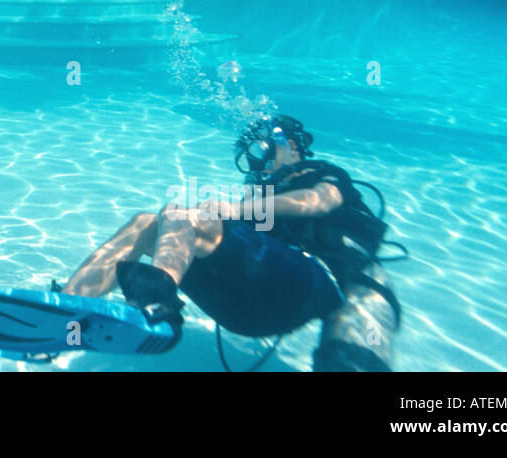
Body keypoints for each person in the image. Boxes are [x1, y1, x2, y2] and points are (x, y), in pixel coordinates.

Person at [60, 115, 402, 371]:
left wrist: (231, 209)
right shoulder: (261, 200)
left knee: (181, 212)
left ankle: (155, 306)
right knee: (146, 223)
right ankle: (64, 309)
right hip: (249, 309)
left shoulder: (321, 173)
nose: (256, 164)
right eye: (251, 156)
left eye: (261, 151)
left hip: (312, 285)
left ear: (290, 146)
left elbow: (319, 201)